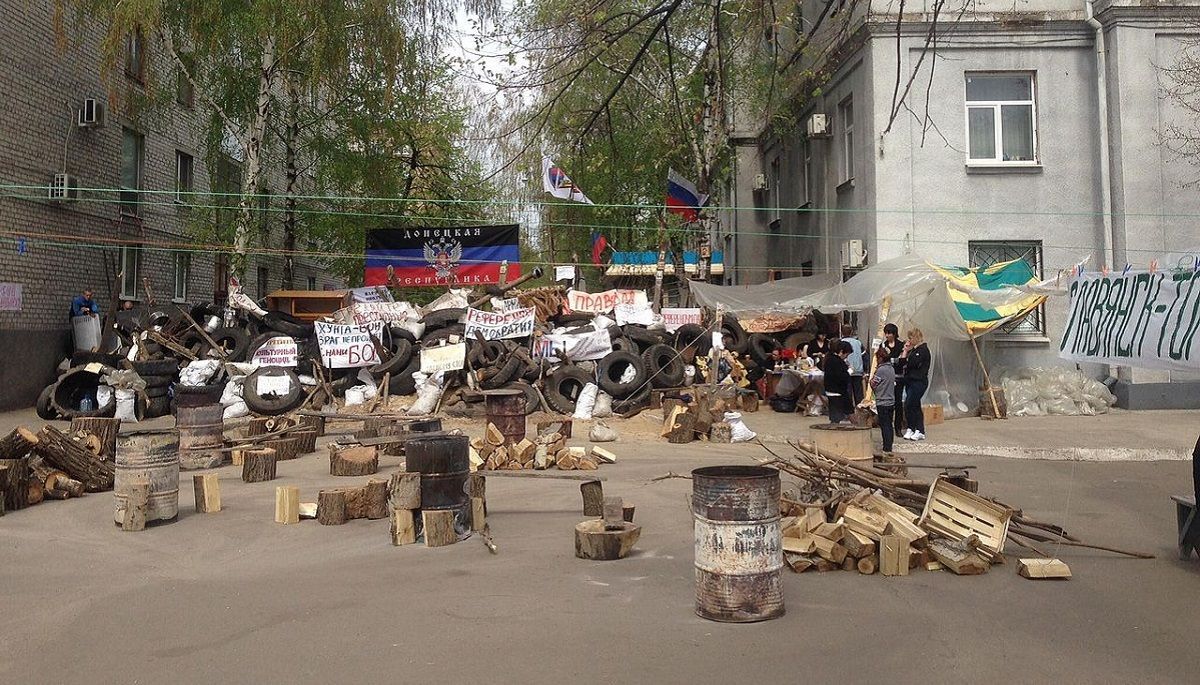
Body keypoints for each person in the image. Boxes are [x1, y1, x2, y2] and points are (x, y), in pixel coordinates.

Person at [897, 328, 931, 441]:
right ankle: (912, 428)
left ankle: (919, 430)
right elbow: (902, 364)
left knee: (910, 404)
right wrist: (905, 351)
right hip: (909, 381)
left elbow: (913, 364)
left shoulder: (923, 350)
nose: (909, 341)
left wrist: (908, 359)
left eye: (911, 338)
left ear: (916, 338)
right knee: (914, 405)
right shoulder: (912, 351)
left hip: (919, 381)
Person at [870, 347, 897, 454]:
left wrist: (871, 379)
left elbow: (873, 383)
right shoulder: (891, 368)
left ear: (880, 358)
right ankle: (889, 444)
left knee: (884, 426)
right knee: (889, 425)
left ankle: (887, 447)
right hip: (891, 400)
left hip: (882, 401)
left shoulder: (881, 370)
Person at [880, 323, 905, 434]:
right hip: (887, 377)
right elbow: (883, 359)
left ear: (894, 334)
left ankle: (898, 427)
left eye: (889, 333)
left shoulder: (901, 345)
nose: (887, 335)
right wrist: (896, 360)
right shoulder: (883, 345)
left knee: (898, 402)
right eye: (886, 333)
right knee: (888, 403)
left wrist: (893, 360)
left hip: (899, 377)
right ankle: (888, 426)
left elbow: (902, 361)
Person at [823, 340, 854, 423]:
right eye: (846, 354)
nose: (846, 357)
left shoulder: (830, 359)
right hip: (837, 392)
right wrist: (849, 372)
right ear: (841, 352)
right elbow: (841, 377)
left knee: (837, 416)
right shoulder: (836, 362)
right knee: (839, 416)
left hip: (832, 390)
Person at [842, 324, 864, 405]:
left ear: (842, 332)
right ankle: (860, 412)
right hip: (858, 371)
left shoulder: (841, 343)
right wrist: (865, 370)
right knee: (858, 394)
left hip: (846, 372)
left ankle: (849, 413)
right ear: (851, 332)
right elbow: (864, 356)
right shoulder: (858, 343)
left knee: (847, 393)